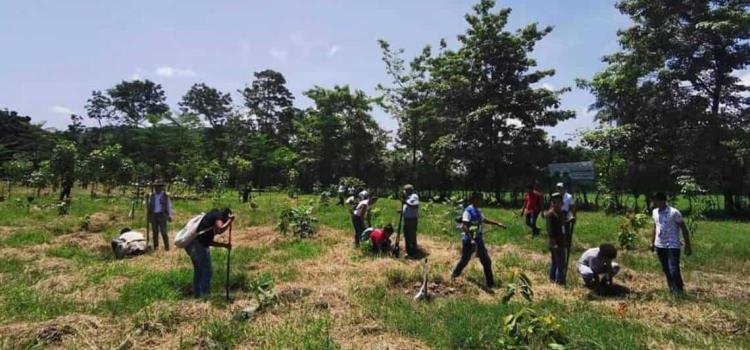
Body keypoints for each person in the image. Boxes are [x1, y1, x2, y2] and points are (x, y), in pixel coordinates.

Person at [451, 192, 507, 288]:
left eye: (481, 199)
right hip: (469, 241)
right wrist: (471, 238)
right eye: (479, 199)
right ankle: (454, 275)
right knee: (465, 260)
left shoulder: (478, 210)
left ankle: (490, 284)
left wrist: (497, 223)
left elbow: (483, 220)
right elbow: (464, 226)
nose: (481, 201)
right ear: (474, 200)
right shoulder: (468, 211)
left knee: (486, 261)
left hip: (478, 240)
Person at [185, 208, 234, 298]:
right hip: (198, 245)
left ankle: (198, 295)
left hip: (191, 245)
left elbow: (208, 242)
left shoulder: (209, 223)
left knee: (199, 270)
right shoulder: (218, 215)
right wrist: (230, 221)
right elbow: (220, 229)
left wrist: (224, 245)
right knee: (207, 270)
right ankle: (205, 295)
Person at [651, 192, 692, 294]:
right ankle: (672, 288)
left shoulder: (674, 213)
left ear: (662, 201)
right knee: (666, 269)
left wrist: (688, 245)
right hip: (660, 245)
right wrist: (652, 242)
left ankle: (679, 291)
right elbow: (655, 227)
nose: (654, 203)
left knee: (674, 269)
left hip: (673, 245)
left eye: (656, 201)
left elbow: (684, 228)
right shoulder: (655, 212)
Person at [546, 193, 569, 285]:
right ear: (553, 203)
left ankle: (552, 279)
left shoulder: (561, 213)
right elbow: (550, 231)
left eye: (559, 202)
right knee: (560, 263)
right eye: (555, 202)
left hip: (561, 240)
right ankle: (559, 281)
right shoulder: (551, 214)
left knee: (556, 262)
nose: (557, 204)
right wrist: (554, 243)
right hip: (555, 242)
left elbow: (564, 225)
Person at [147, 179, 173, 251]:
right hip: (153, 215)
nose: (157, 188)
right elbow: (148, 205)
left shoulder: (165, 195)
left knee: (164, 232)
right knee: (155, 232)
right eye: (156, 186)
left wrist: (170, 215)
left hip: (162, 215)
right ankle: (156, 247)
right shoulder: (151, 195)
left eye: (159, 186)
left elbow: (169, 206)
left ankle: (167, 247)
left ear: (162, 187)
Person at [401, 184, 420, 257]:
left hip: (411, 220)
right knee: (406, 235)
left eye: (405, 191)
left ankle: (413, 251)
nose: (404, 192)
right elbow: (409, 208)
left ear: (408, 190)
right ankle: (408, 251)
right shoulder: (408, 198)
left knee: (411, 235)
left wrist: (405, 202)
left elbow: (415, 206)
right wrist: (402, 211)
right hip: (407, 219)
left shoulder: (414, 196)